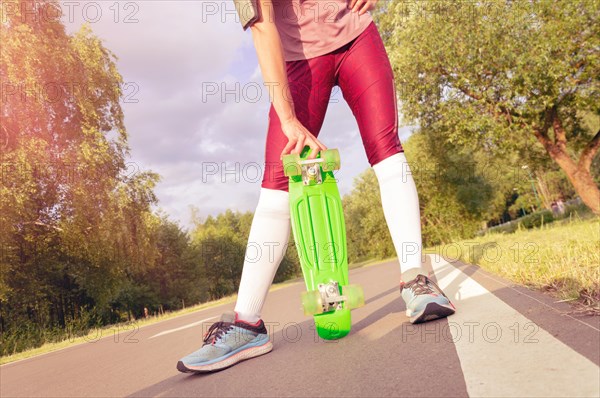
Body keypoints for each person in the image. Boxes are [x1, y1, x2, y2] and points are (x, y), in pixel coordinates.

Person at [177, 0, 455, 374]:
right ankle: (247, 323)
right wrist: (287, 117)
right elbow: (262, 27)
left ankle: (416, 281)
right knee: (276, 183)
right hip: (298, 63)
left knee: (386, 150)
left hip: (357, 38)